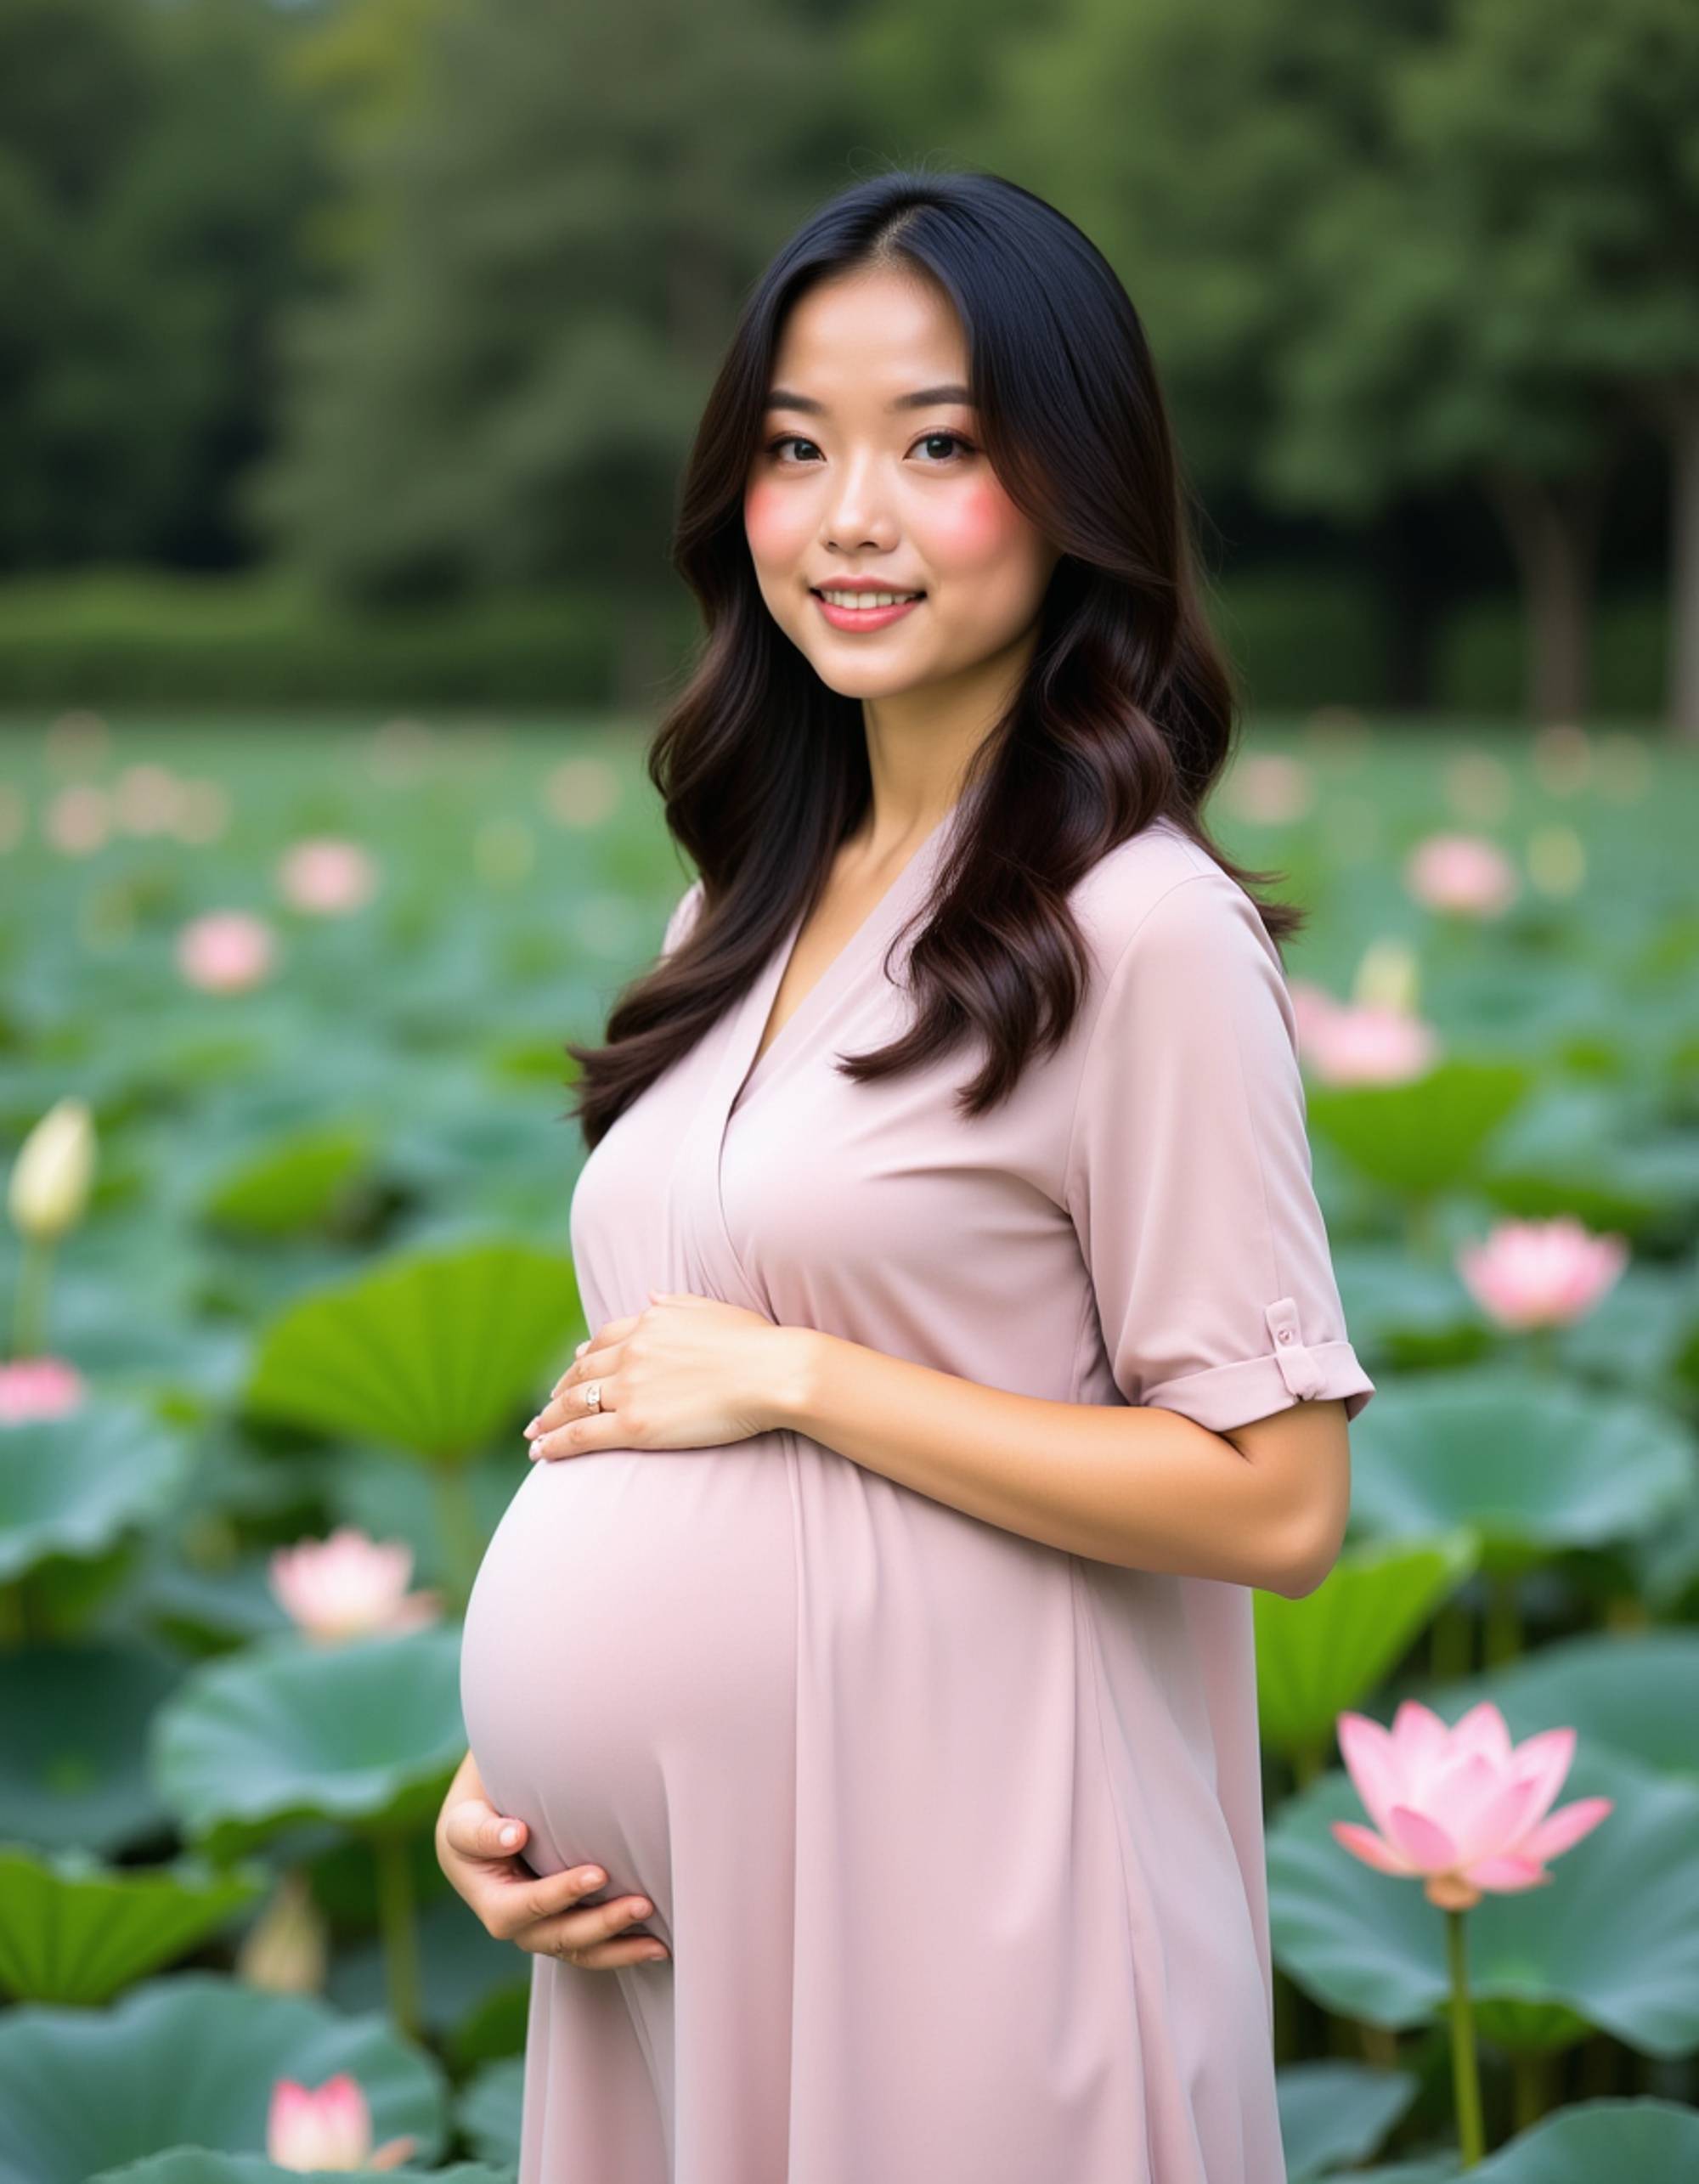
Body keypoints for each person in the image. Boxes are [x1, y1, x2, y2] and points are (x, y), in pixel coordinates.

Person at [441, 166, 1374, 2184]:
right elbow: (645, 1397)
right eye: (795, 448)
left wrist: (802, 1377)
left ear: (1072, 483)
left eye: (935, 444)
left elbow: (1280, 1494)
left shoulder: (1139, 929)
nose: (848, 516)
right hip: (661, 1944)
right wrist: (499, 1778)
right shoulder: (744, 892)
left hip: (971, 1920)